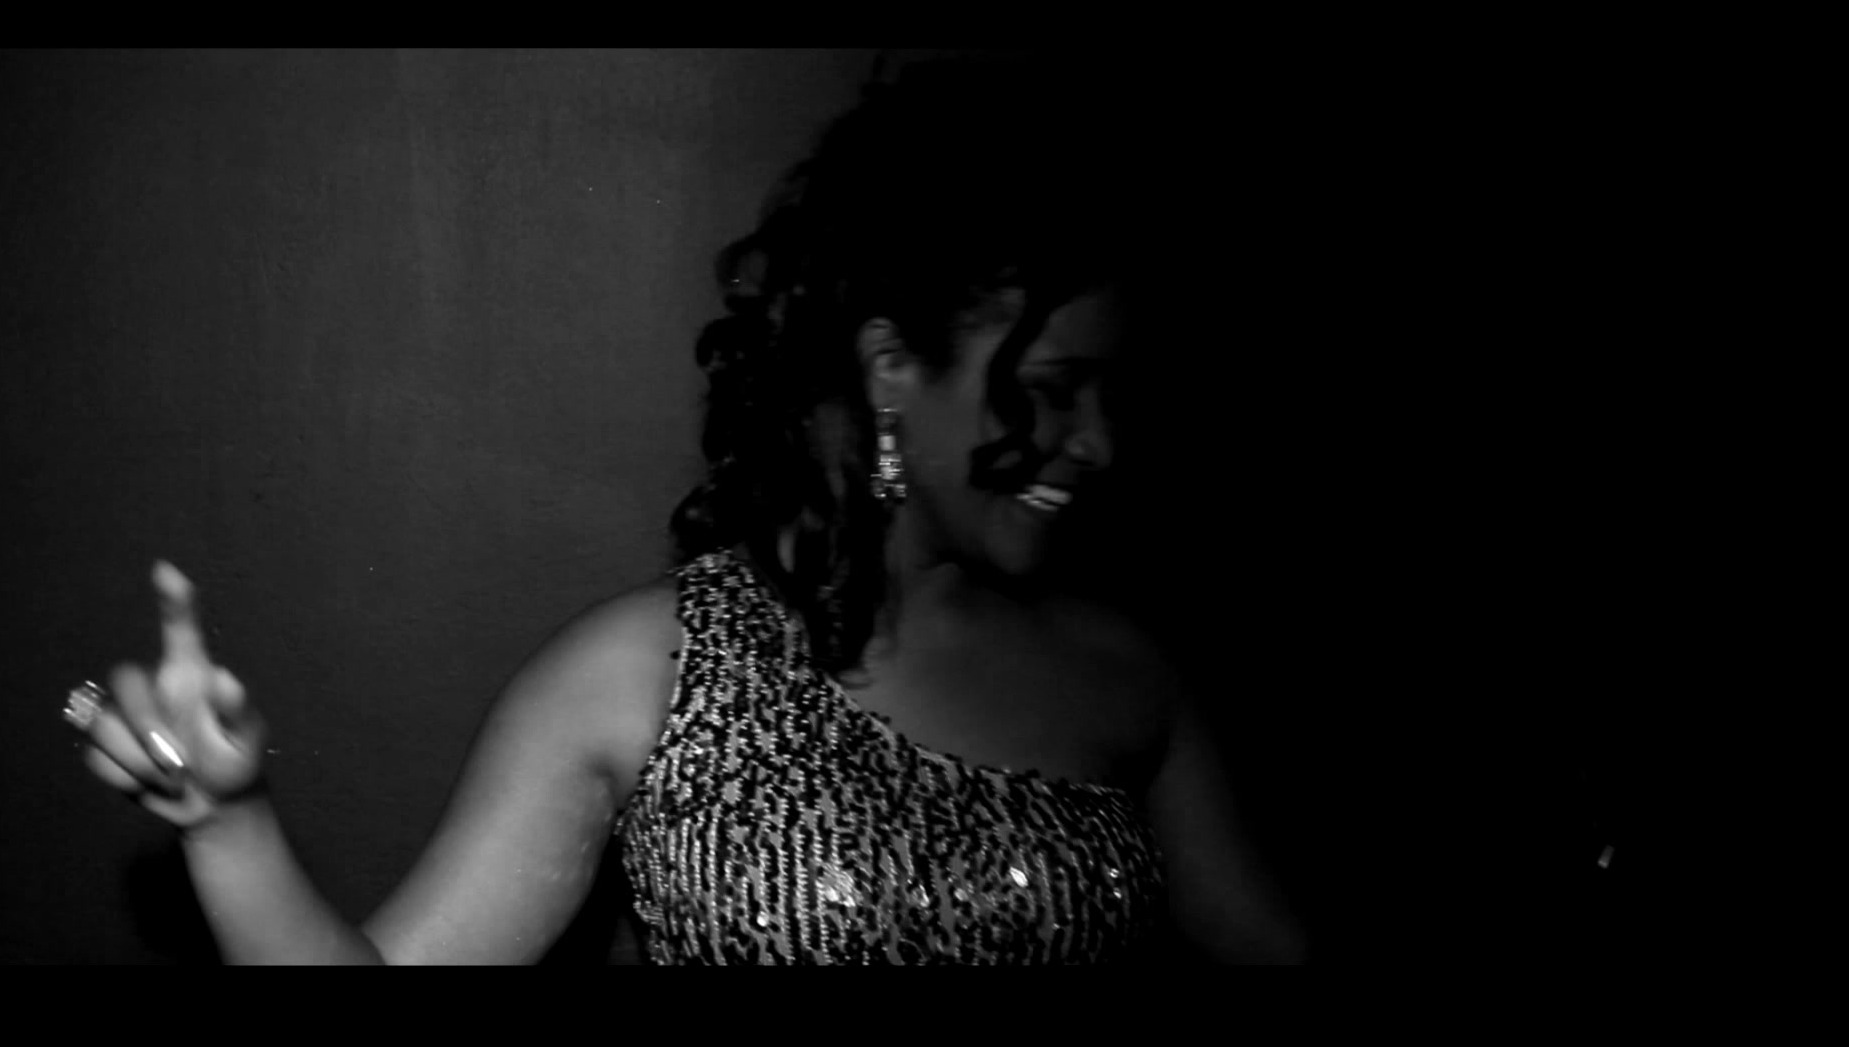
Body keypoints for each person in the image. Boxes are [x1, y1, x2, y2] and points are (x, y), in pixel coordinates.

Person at [65, 54, 1307, 965]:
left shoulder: (1129, 677)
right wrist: (226, 825)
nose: (1099, 443)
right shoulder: (648, 674)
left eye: (1113, 393)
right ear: (892, 367)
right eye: (1052, 389)